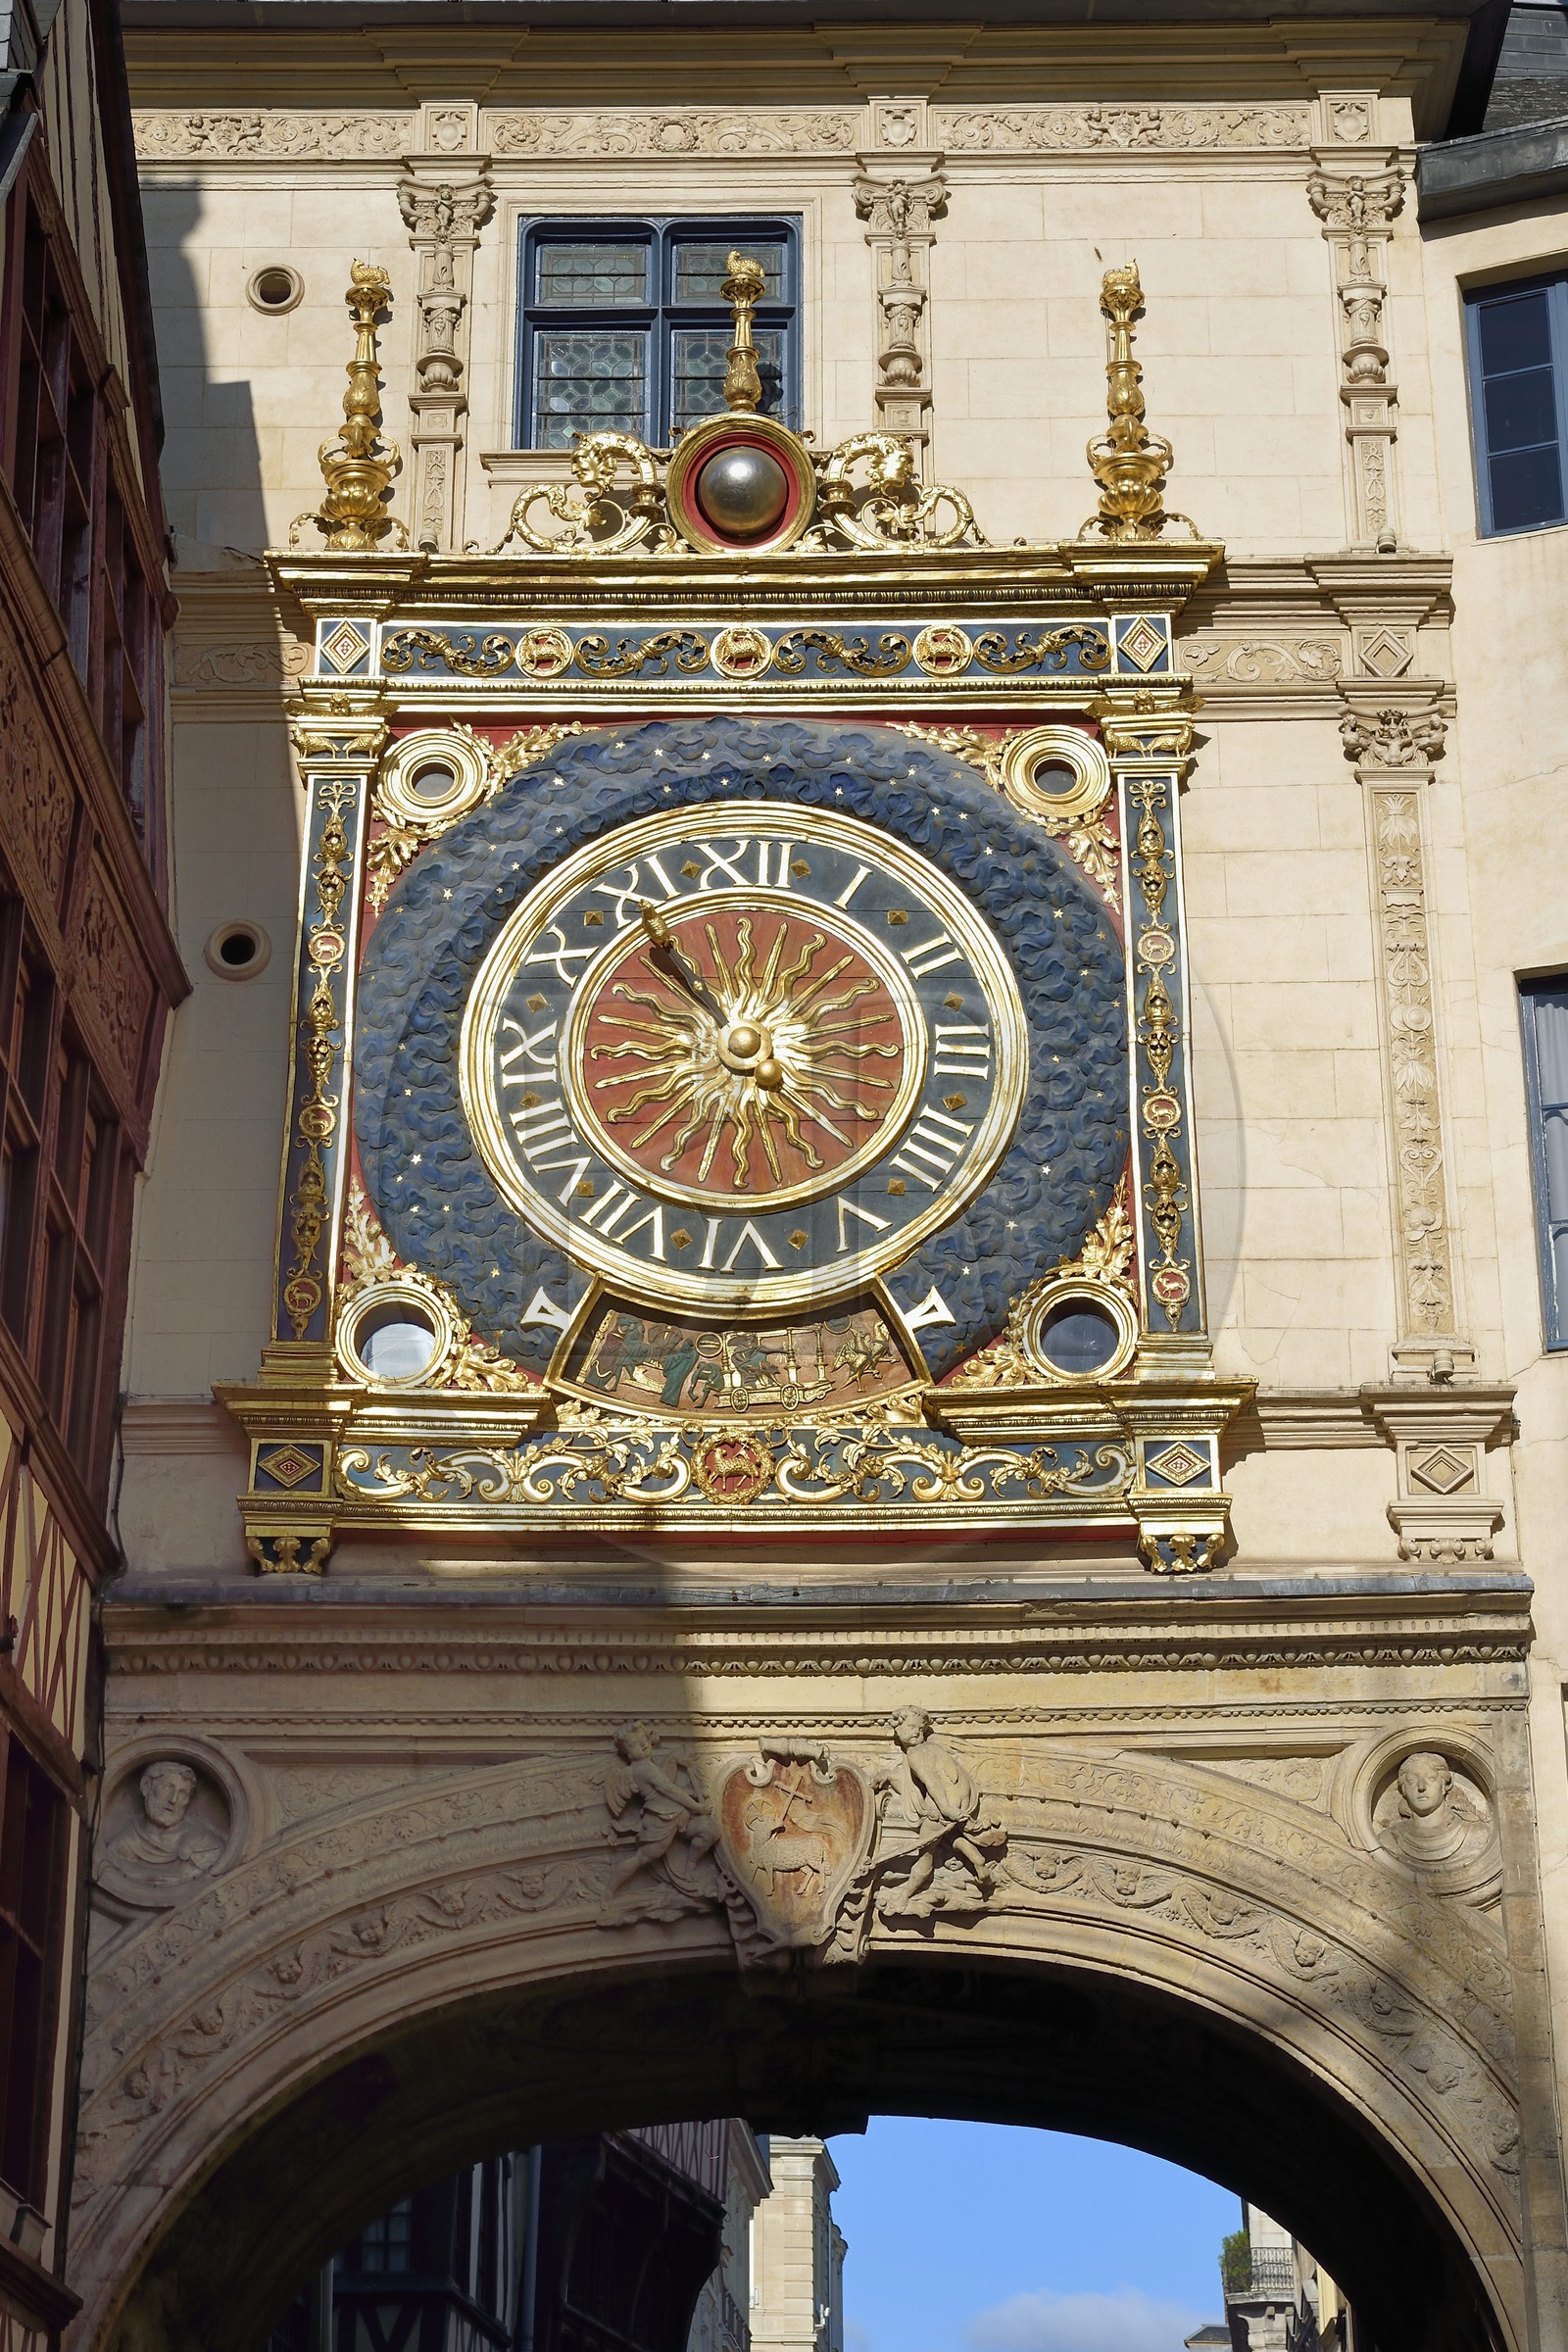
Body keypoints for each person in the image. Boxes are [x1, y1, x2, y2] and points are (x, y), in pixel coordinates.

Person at [105, 1761, 224, 1886]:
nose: (173, 1799)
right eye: (168, 1787)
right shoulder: (122, 1845)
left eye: (183, 1793)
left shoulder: (205, 1844)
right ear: (146, 1786)